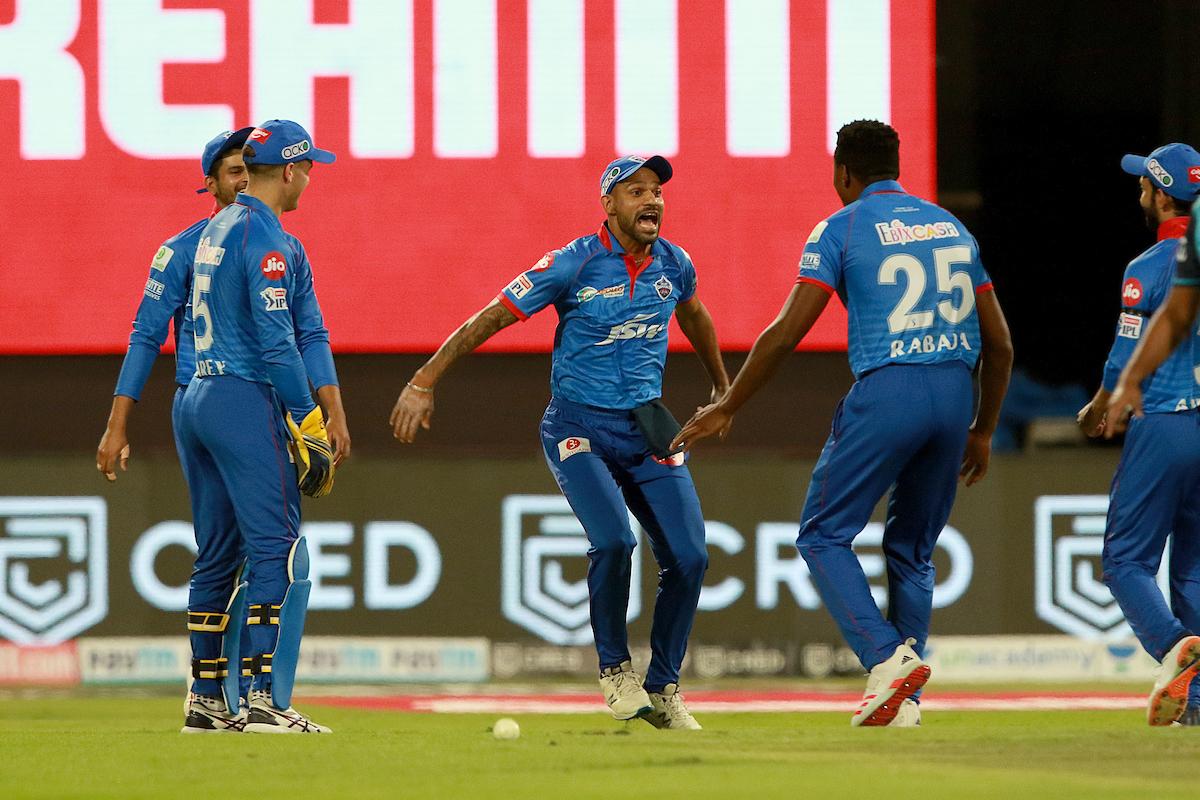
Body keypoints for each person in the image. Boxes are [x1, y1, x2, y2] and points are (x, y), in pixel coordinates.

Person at [674, 120, 1013, 727]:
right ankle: (904, 703)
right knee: (912, 550)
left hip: (890, 389)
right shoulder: (953, 228)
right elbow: (1002, 344)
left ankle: (886, 660)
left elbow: (785, 333)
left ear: (842, 173)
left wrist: (729, 404)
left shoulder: (842, 226)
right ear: (896, 165)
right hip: (957, 393)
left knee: (822, 535)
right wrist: (983, 429)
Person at [390, 155, 729, 730]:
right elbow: (493, 317)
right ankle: (615, 672)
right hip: (578, 426)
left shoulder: (676, 264)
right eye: (636, 191)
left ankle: (665, 687)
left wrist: (723, 389)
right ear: (608, 204)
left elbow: (694, 315)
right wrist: (424, 380)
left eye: (658, 192)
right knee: (615, 541)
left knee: (691, 556)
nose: (652, 202)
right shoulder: (571, 263)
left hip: (647, 425)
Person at [176, 119, 348, 734]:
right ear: (293, 170)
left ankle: (205, 700)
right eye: (309, 169)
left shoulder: (215, 228)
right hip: (243, 399)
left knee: (217, 555)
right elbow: (279, 346)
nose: (310, 180)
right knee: (276, 547)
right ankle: (261, 701)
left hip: (197, 396)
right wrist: (309, 422)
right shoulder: (269, 241)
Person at [1097, 144, 1200, 725]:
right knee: (1194, 569)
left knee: (1124, 561)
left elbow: (1125, 355)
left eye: (1144, 186)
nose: (1140, 193)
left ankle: (1172, 647)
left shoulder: (1148, 267)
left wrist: (1103, 401)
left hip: (1164, 421)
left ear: (1163, 196)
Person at [96, 127, 255, 483]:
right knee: (251, 532)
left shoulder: (278, 246)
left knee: (245, 534)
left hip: (261, 399)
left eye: (250, 169)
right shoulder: (180, 250)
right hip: (205, 397)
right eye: (234, 171)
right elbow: (146, 336)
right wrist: (116, 426)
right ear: (210, 184)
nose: (246, 179)